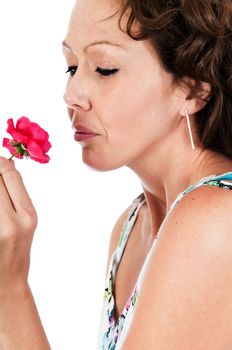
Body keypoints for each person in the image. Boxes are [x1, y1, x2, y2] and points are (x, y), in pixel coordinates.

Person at [0, 0, 232, 348]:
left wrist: (10, 289)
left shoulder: (216, 221)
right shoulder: (131, 226)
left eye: (105, 69)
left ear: (193, 88)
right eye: (72, 67)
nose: (71, 95)